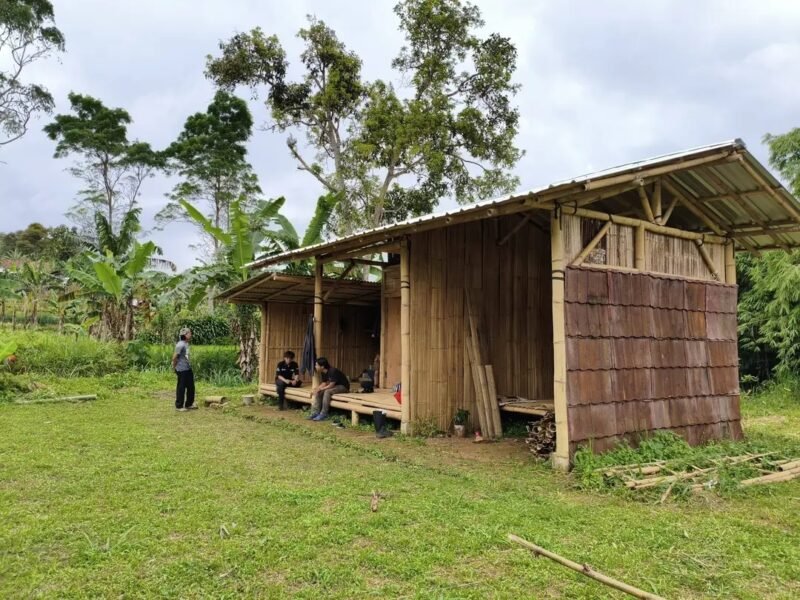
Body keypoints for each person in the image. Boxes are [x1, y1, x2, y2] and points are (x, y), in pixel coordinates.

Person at [308, 357, 349, 421]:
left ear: (322, 366)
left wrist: (321, 389)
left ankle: (324, 414)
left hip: (343, 387)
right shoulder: (323, 372)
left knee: (327, 391)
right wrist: (317, 389)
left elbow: (331, 385)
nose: (315, 366)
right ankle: (316, 412)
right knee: (319, 391)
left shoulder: (333, 371)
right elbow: (324, 383)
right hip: (335, 386)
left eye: (316, 365)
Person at [172, 327, 196, 412]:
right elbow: (175, 357)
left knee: (191, 387)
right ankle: (179, 406)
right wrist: (174, 367)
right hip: (181, 369)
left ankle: (189, 404)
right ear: (185, 335)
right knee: (181, 387)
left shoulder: (186, 344)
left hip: (187, 368)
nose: (191, 334)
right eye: (189, 333)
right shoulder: (180, 344)